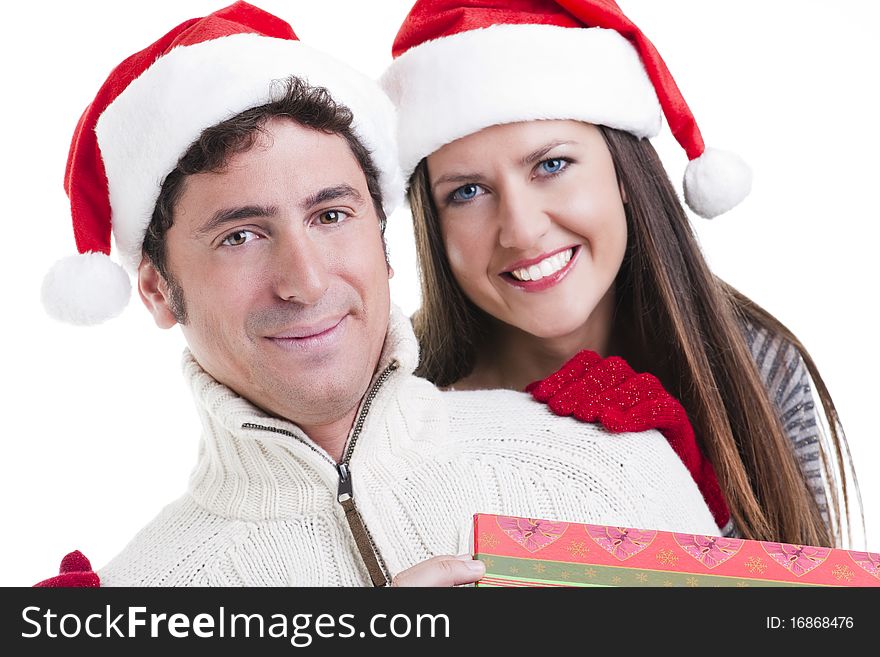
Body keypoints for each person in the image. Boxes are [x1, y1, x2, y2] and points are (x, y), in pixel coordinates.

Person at [36, 2, 718, 587]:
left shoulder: (607, 465)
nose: (305, 280)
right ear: (156, 290)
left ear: (384, 247)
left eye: (331, 216)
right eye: (240, 235)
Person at [381, 0, 859, 547]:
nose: (521, 230)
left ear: (625, 174)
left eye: (551, 165)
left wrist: (681, 491)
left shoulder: (756, 366)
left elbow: (809, 621)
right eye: (467, 192)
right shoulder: (398, 408)